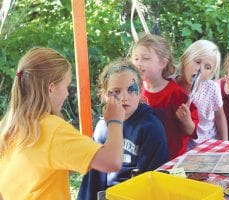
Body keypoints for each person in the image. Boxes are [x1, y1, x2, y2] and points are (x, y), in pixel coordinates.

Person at [0, 47, 125, 200]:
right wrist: (115, 120)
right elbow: (111, 162)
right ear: (51, 88)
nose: (67, 93)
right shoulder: (51, 129)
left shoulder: (7, 127)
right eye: (66, 86)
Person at [77, 59, 169, 200]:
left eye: (131, 90)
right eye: (116, 91)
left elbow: (151, 179)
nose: (124, 97)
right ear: (104, 95)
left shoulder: (151, 128)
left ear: (140, 92)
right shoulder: (102, 128)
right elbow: (93, 179)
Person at [131, 33, 199, 159]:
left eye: (145, 58)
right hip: (144, 158)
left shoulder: (175, 94)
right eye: (135, 58)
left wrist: (186, 120)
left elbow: (191, 130)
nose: (138, 63)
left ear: (162, 63)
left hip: (170, 160)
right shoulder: (133, 90)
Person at [175, 40, 228, 148]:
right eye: (197, 62)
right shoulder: (172, 86)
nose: (200, 69)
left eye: (207, 67)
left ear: (211, 73)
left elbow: (220, 116)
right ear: (185, 59)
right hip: (181, 147)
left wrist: (224, 144)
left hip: (208, 143)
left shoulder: (212, 88)